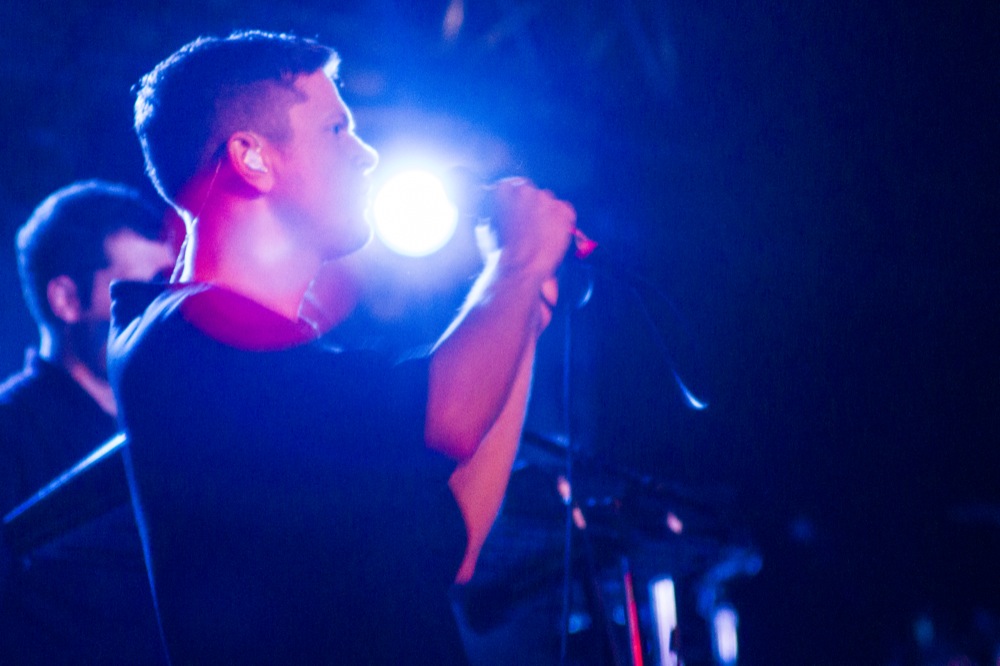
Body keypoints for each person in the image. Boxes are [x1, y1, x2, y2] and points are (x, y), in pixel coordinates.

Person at [109, 30, 575, 664]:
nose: (367, 156)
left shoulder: (258, 367)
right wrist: (515, 265)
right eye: (336, 130)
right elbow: (450, 419)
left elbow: (454, 544)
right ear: (252, 158)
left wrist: (524, 316)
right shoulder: (192, 337)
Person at [0, 180, 176, 663]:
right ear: (67, 300)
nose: (161, 310)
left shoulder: (163, 425)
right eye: (141, 291)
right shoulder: (9, 433)